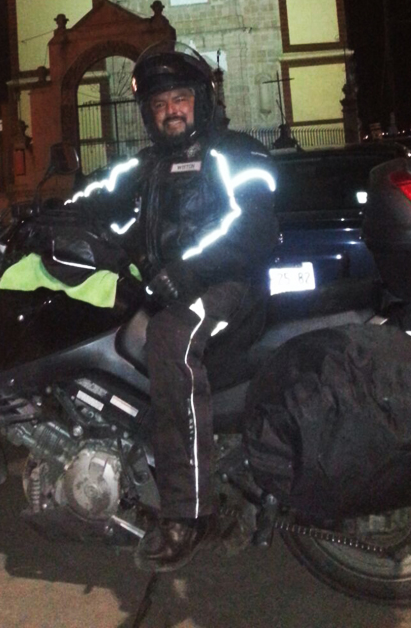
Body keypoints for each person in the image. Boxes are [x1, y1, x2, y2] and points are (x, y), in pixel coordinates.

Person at [67, 43, 278, 572]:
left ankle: (189, 511)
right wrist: (48, 217)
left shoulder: (234, 152)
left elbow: (253, 228)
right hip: (170, 284)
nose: (171, 112)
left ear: (201, 100)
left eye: (180, 99)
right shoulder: (147, 167)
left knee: (169, 339)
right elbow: (96, 198)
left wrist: (187, 272)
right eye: (159, 104)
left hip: (229, 284)